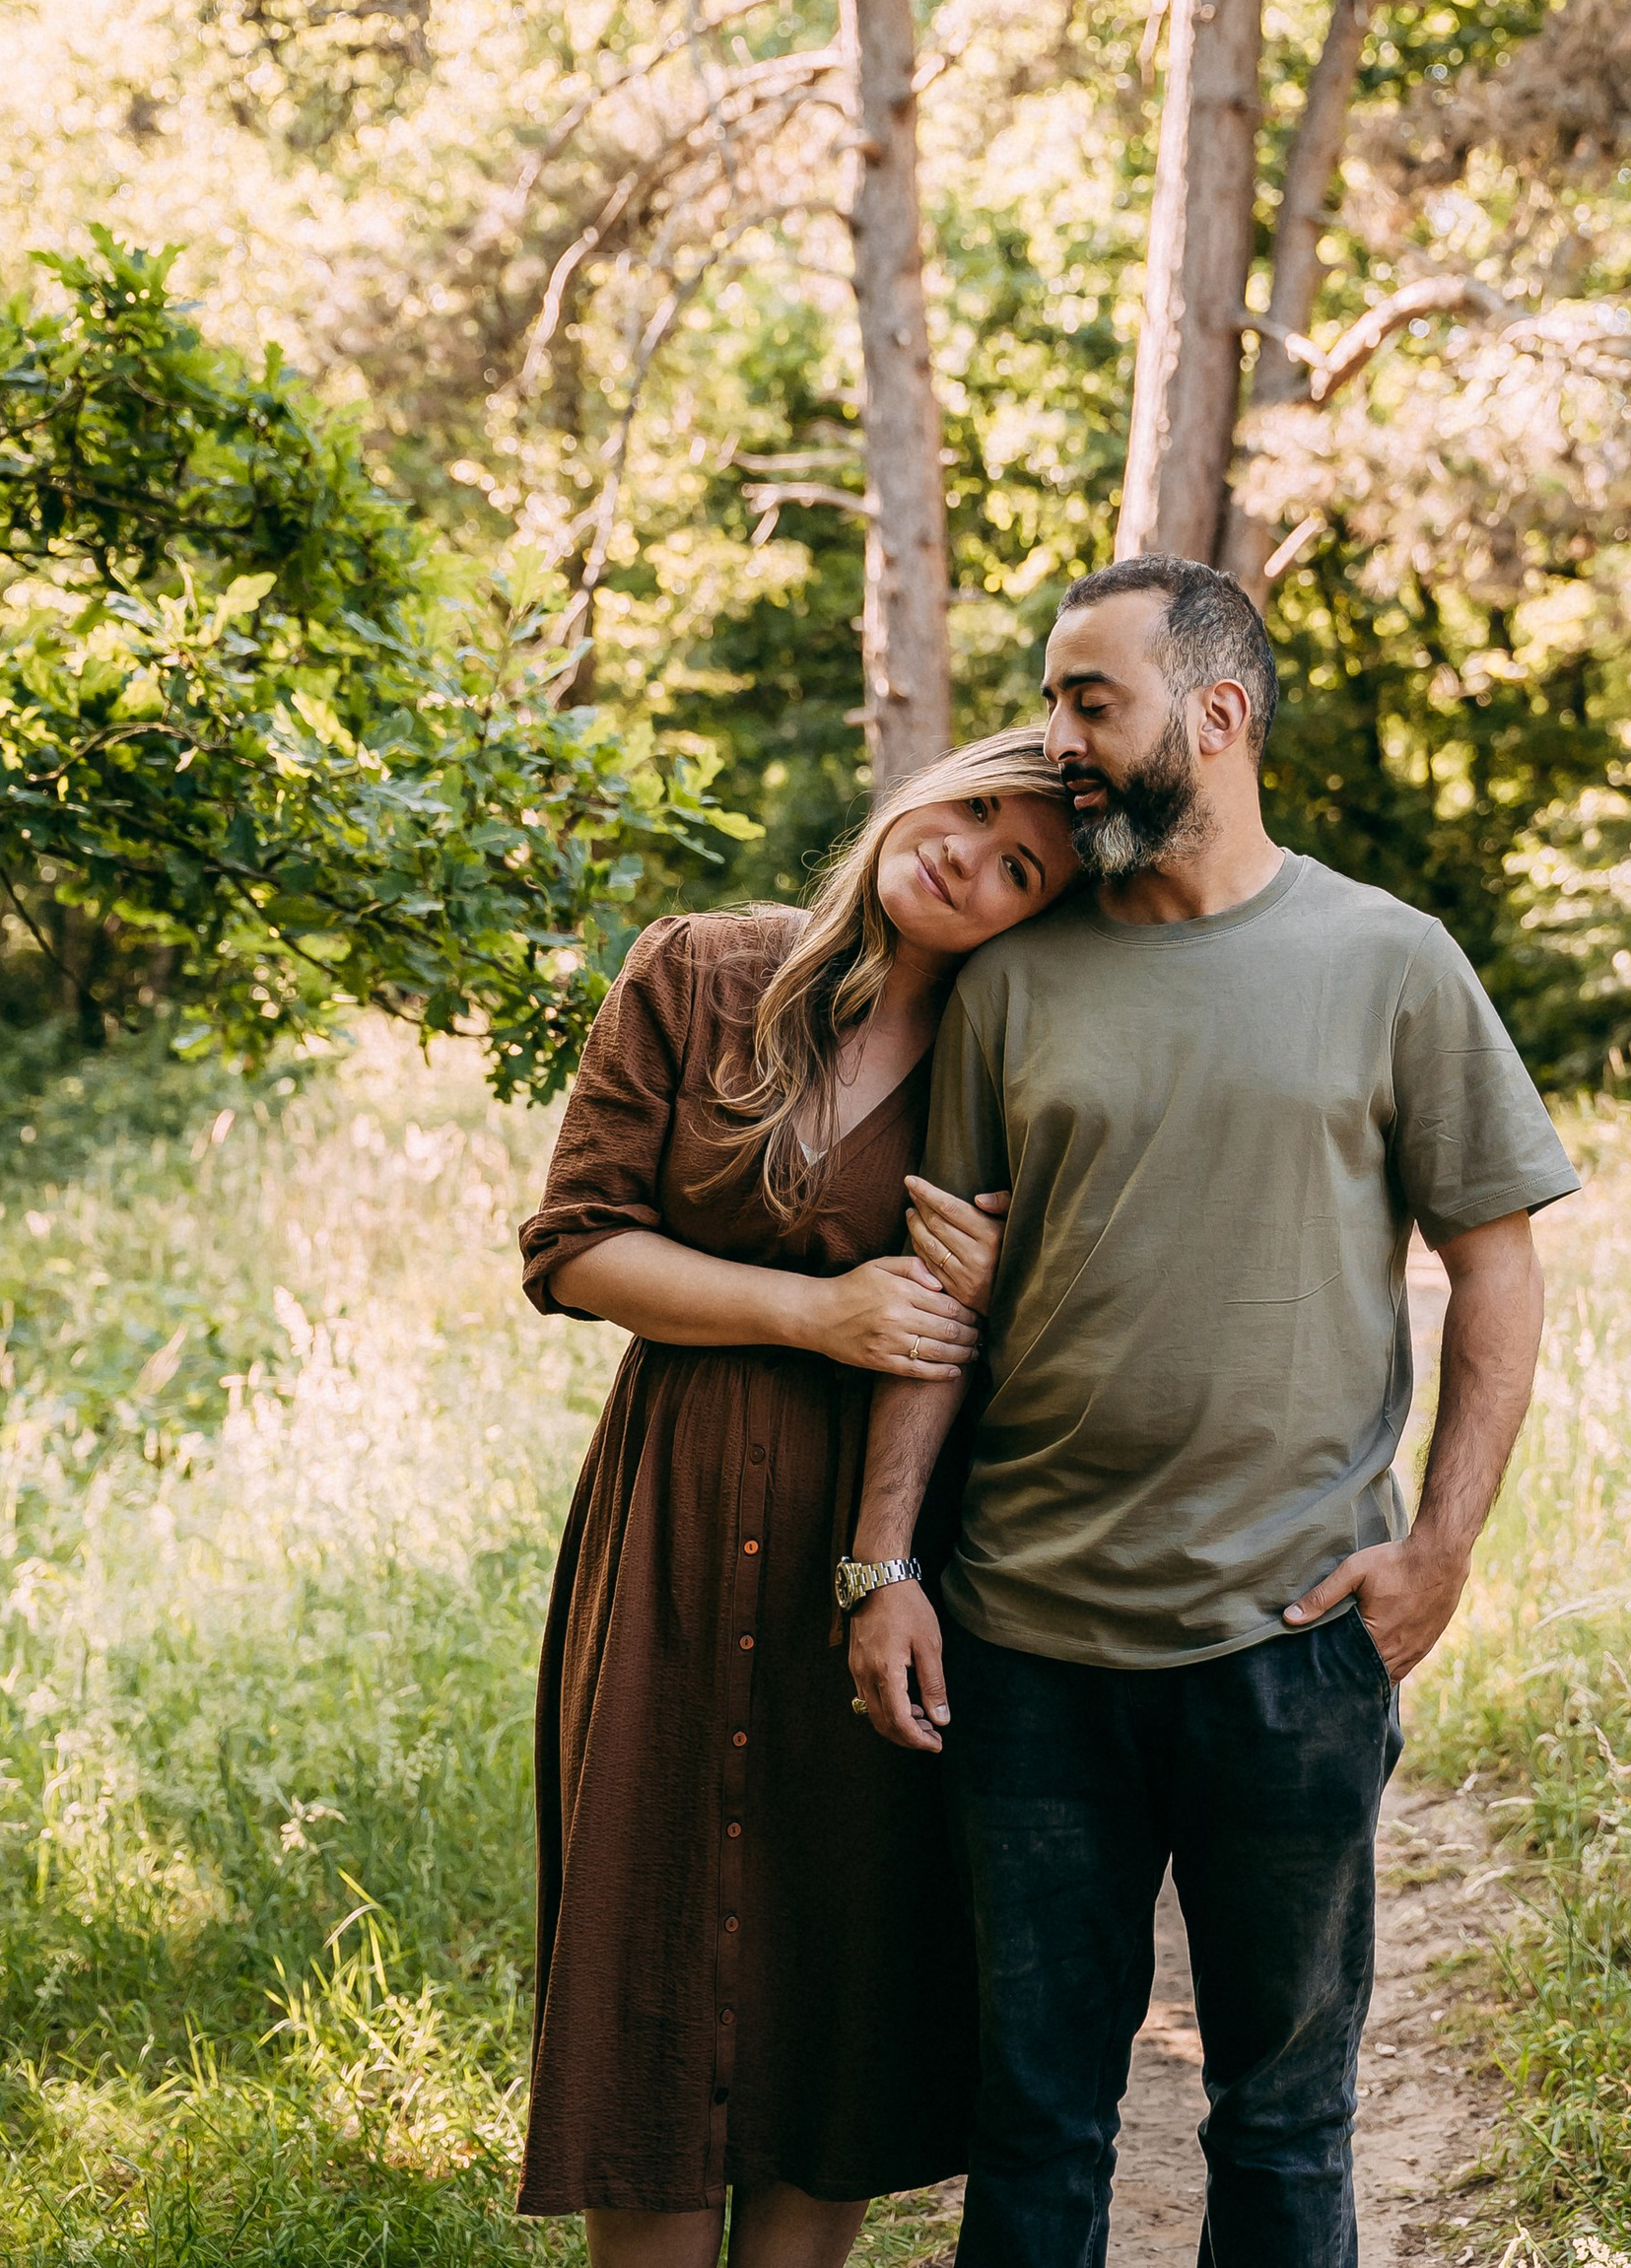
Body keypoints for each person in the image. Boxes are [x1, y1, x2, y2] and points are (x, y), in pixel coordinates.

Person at [844, 556, 1581, 2268]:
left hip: (1291, 1646)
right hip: (1026, 1649)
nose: (1056, 743)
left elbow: (1501, 1269)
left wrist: (1444, 1555)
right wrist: (883, 1564)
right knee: (1033, 2127)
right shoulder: (1015, 979)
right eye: (1052, 703)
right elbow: (935, 1298)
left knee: (1281, 2122)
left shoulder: (1390, 962)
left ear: (1219, 715)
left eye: (1090, 703)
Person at [514, 726, 1079, 2268]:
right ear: (925, 786)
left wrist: (1016, 1279)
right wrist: (813, 1313)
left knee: (834, 1962)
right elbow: (571, 1247)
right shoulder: (698, 972)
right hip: (674, 1523)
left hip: (872, 1539)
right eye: (972, 811)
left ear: (1037, 918)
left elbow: (1044, 1318)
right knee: (646, 1932)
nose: (969, 857)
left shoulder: (1008, 1059)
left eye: (1019, 866)